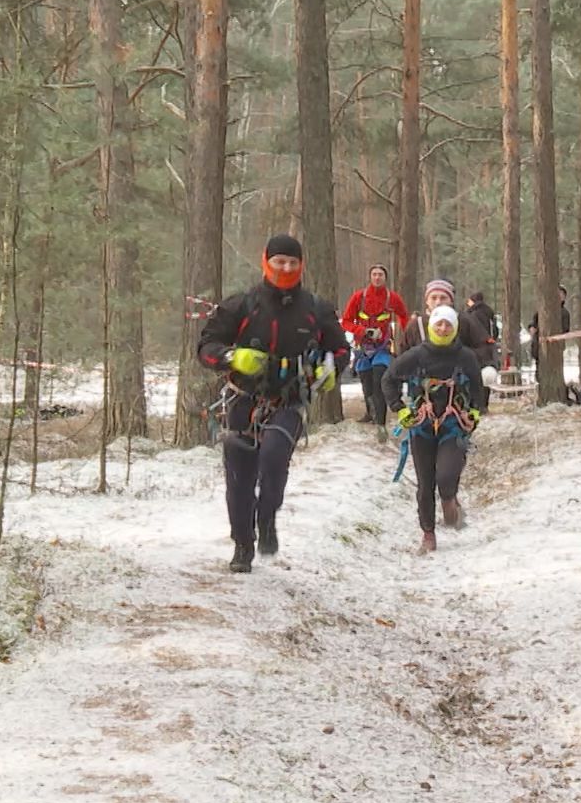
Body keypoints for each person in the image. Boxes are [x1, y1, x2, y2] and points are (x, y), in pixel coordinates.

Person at [197, 234, 350, 572]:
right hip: (242, 401)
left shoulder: (316, 309)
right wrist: (231, 356)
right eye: (280, 261)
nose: (286, 268)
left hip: (289, 401)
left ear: (302, 265)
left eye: (293, 262)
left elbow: (340, 349)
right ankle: (242, 544)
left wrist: (330, 369)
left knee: (273, 460)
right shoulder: (241, 305)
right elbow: (205, 348)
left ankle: (267, 517)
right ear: (266, 261)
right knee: (239, 480)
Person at [386, 306, 484, 554]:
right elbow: (388, 379)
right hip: (422, 426)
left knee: (446, 475)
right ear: (431, 326)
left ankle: (449, 499)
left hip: (453, 425)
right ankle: (428, 534)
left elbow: (478, 388)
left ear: (455, 328)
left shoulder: (466, 357)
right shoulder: (416, 355)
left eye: (448, 325)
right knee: (425, 483)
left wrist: (474, 411)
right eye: (439, 324)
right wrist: (400, 409)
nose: (443, 329)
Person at [341, 264, 411, 427]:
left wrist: (406, 336)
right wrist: (361, 330)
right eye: (374, 274)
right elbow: (345, 321)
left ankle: (380, 422)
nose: (377, 277)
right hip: (363, 347)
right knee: (367, 384)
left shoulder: (392, 297)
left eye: (380, 274)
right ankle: (370, 413)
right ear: (370, 277)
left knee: (379, 380)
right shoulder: (359, 297)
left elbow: (403, 316)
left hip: (383, 347)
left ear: (385, 278)